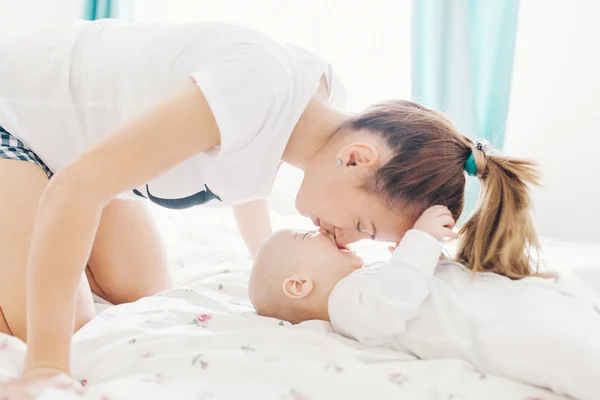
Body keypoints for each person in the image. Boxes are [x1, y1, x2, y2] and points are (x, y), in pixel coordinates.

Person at [0, 18, 426, 394]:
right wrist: (46, 367)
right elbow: (77, 187)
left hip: (75, 146)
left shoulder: (315, 111)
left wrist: (270, 269)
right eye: (361, 225)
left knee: (140, 290)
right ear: (356, 159)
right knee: (65, 326)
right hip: (15, 114)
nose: (347, 238)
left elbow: (245, 171)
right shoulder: (255, 84)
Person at [249, 189, 600, 399]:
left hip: (522, 299)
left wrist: (409, 257)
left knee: (580, 284)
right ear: (299, 285)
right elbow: (390, 306)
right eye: (306, 238)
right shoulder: (343, 306)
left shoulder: (365, 283)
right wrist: (420, 242)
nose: (322, 231)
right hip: (504, 329)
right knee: (575, 354)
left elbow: (410, 284)